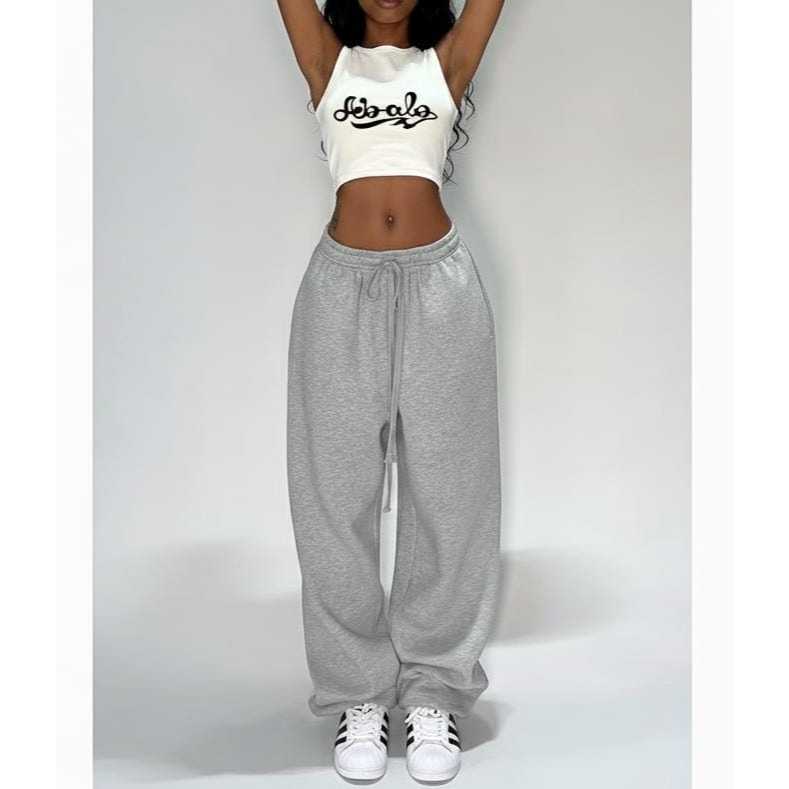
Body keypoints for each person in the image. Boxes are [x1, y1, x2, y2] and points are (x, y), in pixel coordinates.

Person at [276, 0, 505, 782]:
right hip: (339, 290)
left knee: (452, 492)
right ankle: (357, 694)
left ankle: (434, 689)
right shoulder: (327, 64)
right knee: (331, 493)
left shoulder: (445, 64)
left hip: (442, 287)